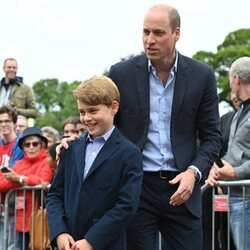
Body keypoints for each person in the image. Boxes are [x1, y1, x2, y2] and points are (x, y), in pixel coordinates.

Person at [107, 4, 222, 249]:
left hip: (183, 188)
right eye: (145, 32)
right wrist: (75, 145)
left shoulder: (202, 76)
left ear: (176, 34)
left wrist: (194, 173)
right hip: (136, 187)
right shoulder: (121, 74)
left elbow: (212, 137)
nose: (149, 40)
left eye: (158, 33)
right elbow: (108, 130)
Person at [46, 76, 143, 250]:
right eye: (82, 112)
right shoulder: (70, 148)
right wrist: (59, 232)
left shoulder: (129, 153)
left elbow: (126, 205)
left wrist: (92, 240)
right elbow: (54, 195)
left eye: (93, 111)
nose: (86, 118)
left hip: (106, 244)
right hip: (69, 242)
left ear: (113, 107)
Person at [206, 56, 250, 250]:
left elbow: (237, 165)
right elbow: (235, 152)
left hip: (245, 198)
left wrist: (235, 173)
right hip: (236, 197)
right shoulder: (240, 112)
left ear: (236, 79)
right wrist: (218, 168)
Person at [0, 127, 54, 250]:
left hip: (39, 218)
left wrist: (19, 179)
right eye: (27, 144)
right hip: (20, 219)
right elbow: (2, 183)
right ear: (23, 147)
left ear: (42, 145)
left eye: (35, 144)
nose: (31, 147)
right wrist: (22, 180)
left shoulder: (47, 161)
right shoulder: (19, 163)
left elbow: (44, 180)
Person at [0, 105, 24, 250]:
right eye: (0, 121)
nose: (3, 124)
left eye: (7, 121)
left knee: (12, 246)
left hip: (15, 205)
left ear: (14, 123)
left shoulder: (21, 144)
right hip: (2, 205)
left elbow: (12, 174)